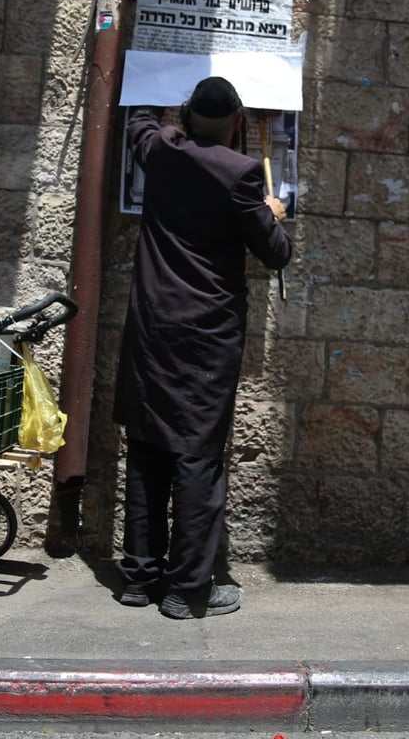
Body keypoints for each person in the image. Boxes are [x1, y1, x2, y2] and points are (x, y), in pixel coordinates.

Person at [113, 76, 292, 619]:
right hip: (204, 337)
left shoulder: (161, 149)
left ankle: (138, 579)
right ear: (238, 123)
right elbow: (276, 253)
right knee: (197, 455)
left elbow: (140, 122)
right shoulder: (241, 175)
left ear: (188, 116)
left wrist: (164, 80)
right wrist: (273, 213)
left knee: (146, 449)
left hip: (150, 326)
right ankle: (187, 590)